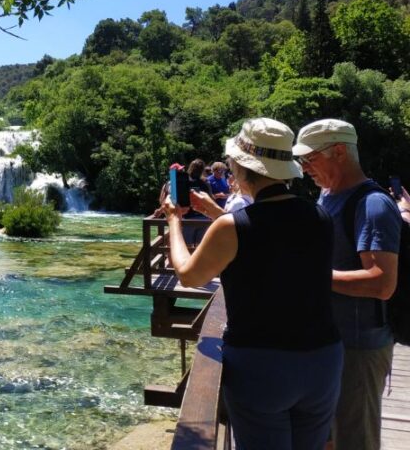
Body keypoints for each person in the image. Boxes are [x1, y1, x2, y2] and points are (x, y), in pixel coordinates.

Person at [163, 118, 342, 449]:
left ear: (243, 167)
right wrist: (218, 213)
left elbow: (188, 274)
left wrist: (175, 221)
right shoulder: (321, 217)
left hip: (262, 366)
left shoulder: (232, 227)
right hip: (322, 361)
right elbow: (271, 238)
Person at [292, 119, 401, 450]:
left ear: (338, 151)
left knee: (356, 440)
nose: (304, 168)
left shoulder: (373, 205)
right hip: (329, 343)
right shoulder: (328, 195)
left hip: (359, 348)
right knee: (326, 438)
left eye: (308, 159)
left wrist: (312, 277)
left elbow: (382, 282)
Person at [181, 158, 213, 245]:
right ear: (202, 170)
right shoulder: (205, 184)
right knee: (200, 246)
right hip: (203, 218)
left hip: (188, 218)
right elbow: (211, 200)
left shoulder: (184, 182)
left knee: (186, 246)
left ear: (190, 168)